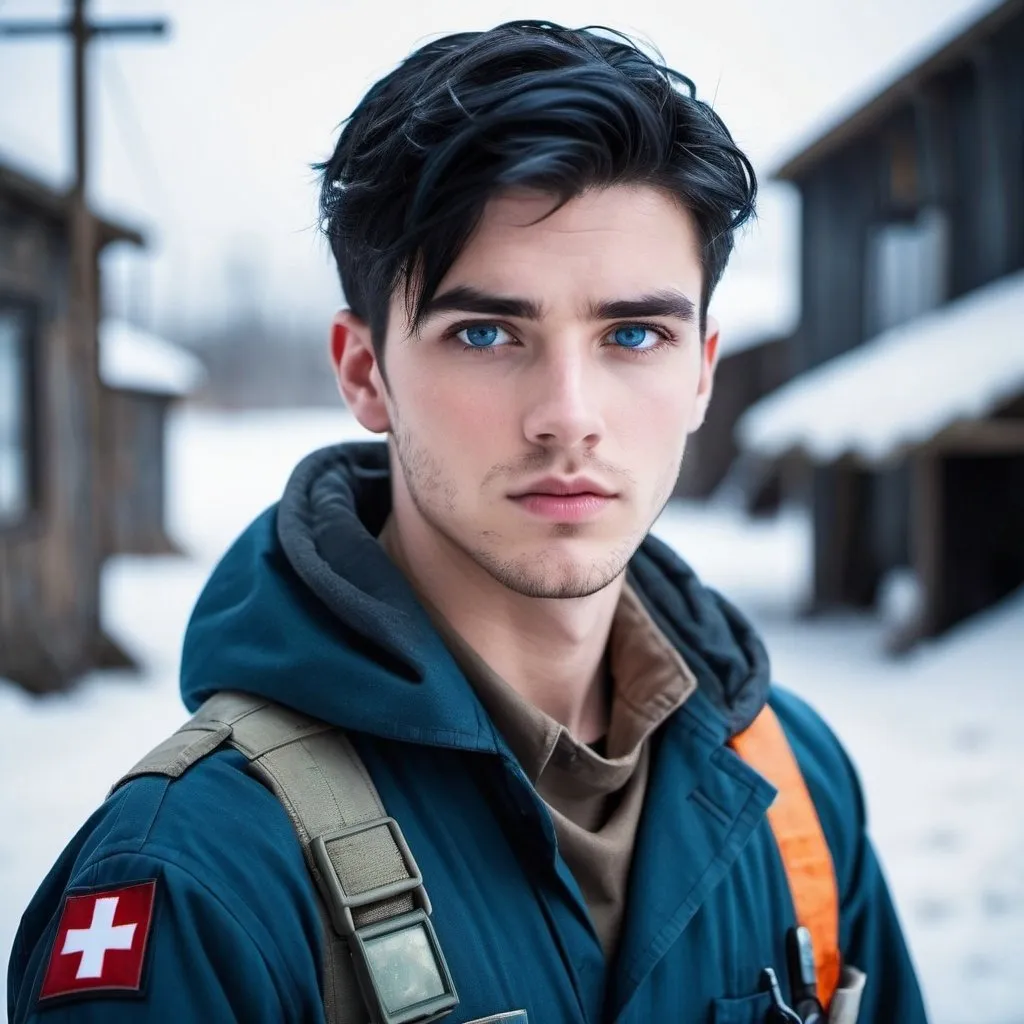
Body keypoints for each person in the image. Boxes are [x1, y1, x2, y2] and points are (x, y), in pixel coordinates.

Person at [8, 21, 928, 1024]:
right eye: (486, 332)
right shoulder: (200, 875)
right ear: (366, 372)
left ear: (701, 370)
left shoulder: (792, 791)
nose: (568, 413)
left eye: (633, 333)